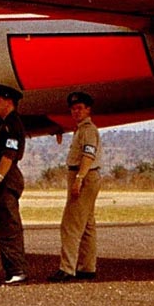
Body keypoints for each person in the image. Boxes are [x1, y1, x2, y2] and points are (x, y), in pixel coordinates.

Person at [50, 91, 103, 282]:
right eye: (73, 109)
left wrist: (79, 179)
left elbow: (88, 155)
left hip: (84, 176)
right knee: (87, 225)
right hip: (86, 176)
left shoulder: (88, 130)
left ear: (88, 110)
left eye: (80, 108)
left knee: (70, 225)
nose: (76, 112)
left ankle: (67, 268)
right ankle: (87, 267)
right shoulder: (81, 129)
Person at [0, 83, 28, 285]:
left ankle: (17, 271)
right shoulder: (4, 124)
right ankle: (11, 271)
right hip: (3, 181)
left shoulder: (12, 124)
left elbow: (9, 155)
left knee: (9, 227)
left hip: (7, 181)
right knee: (2, 228)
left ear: (9, 102)